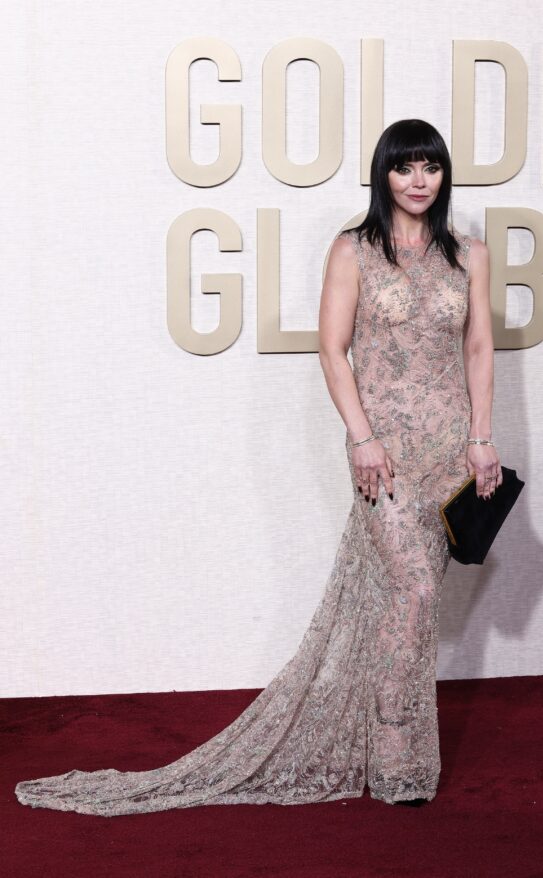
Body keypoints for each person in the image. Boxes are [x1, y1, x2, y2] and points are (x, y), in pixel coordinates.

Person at [15, 119, 501, 817]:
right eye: (405, 167)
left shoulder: (470, 255)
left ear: (444, 174)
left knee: (414, 602)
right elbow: (332, 349)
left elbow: (478, 348)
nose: (418, 180)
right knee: (413, 589)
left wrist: (481, 438)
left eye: (430, 166)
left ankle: (396, 749)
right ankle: (397, 755)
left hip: (449, 451)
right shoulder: (353, 250)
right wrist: (361, 438)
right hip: (384, 453)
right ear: (384, 175)